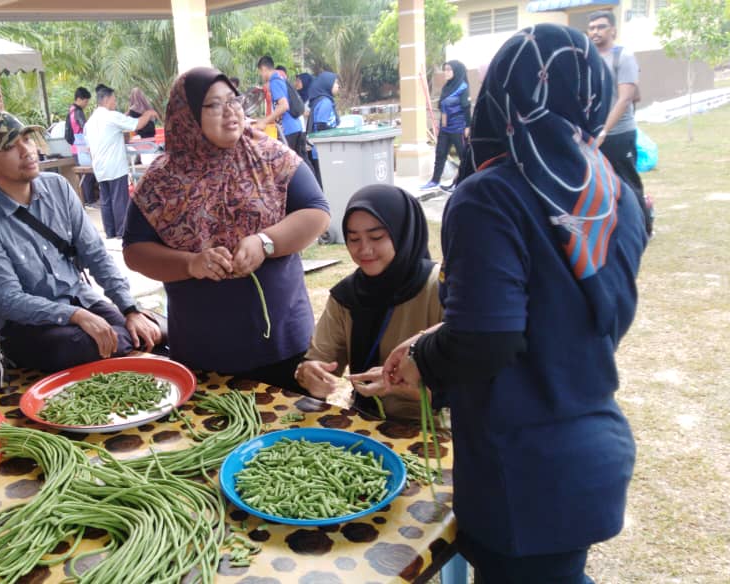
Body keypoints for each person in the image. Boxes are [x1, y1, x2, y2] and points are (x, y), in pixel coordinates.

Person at [367, 24, 648, 582]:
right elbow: (561, 323)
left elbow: (487, 339)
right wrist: (430, 343)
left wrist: (426, 360)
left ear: (499, 95)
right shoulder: (614, 191)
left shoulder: (490, 194)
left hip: (521, 473)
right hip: (589, 456)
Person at [124, 67, 330, 391]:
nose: (231, 112)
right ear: (187, 114)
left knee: (285, 434)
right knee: (218, 436)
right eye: (214, 105)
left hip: (282, 342)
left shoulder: (270, 157)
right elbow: (135, 251)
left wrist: (266, 242)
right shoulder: (162, 180)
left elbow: (316, 212)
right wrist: (190, 264)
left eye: (233, 101)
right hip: (203, 352)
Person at [0, 111, 163, 372]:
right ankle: (119, 340)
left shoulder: (57, 187)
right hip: (27, 325)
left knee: (149, 330)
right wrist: (75, 316)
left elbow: (95, 255)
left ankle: (127, 335)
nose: (27, 151)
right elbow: (7, 299)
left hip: (81, 300)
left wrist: (129, 309)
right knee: (74, 346)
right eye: (11, 147)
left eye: (27, 139)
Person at [297, 185, 441, 419]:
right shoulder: (347, 295)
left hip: (432, 430)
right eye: (353, 239)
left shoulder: (438, 288)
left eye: (376, 237)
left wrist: (409, 389)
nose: (364, 249)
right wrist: (308, 373)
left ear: (403, 233)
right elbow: (319, 359)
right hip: (365, 420)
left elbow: (471, 386)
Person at [588, 9, 653, 237]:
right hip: (594, 134)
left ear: (613, 30)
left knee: (627, 182)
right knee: (599, 184)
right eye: (592, 27)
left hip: (618, 133)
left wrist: (605, 130)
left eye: (601, 27)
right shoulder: (589, 58)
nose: (596, 32)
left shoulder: (623, 56)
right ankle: (611, 228)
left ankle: (644, 228)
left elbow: (627, 98)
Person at [84, 84, 158, 238]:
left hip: (99, 167)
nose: (115, 103)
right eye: (114, 99)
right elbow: (137, 124)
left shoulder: (90, 122)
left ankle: (110, 232)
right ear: (106, 99)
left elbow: (89, 148)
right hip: (115, 165)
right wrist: (149, 113)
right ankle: (121, 232)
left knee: (106, 200)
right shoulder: (111, 116)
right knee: (119, 199)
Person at [422, 60, 471, 191]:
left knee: (463, 156)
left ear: (456, 71)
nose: (446, 72)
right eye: (445, 69)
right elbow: (443, 108)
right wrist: (440, 126)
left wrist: (468, 126)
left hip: (458, 128)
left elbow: (466, 107)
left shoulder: (462, 87)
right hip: (445, 128)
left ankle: (464, 183)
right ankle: (434, 181)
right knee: (440, 154)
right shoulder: (447, 87)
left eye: (449, 69)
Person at [254, 56, 309, 164]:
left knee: (289, 166)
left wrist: (264, 121)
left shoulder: (274, 81)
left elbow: (284, 106)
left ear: (264, 69)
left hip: (289, 130)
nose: (261, 75)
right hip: (296, 127)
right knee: (301, 164)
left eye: (260, 72)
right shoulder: (281, 78)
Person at [306, 71, 340, 186]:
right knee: (326, 185)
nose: (338, 86)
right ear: (327, 84)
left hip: (321, 151)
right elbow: (321, 126)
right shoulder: (325, 102)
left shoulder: (322, 100)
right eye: (335, 83)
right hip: (324, 151)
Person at [67, 86, 97, 206]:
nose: (86, 104)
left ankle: (89, 200)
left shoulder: (71, 110)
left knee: (85, 175)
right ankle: (90, 201)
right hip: (81, 148)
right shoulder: (77, 112)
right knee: (87, 174)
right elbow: (85, 128)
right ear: (79, 99)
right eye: (85, 101)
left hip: (76, 148)